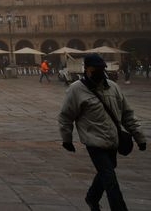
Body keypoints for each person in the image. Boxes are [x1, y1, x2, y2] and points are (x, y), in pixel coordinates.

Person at [58, 54, 147, 211]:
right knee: (109, 178)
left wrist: (139, 137)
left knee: (108, 170)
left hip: (113, 140)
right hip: (94, 141)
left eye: (101, 69)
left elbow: (127, 114)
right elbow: (66, 116)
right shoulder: (76, 89)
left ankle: (92, 197)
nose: (100, 72)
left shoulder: (113, 87)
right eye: (95, 69)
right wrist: (67, 139)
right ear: (86, 70)